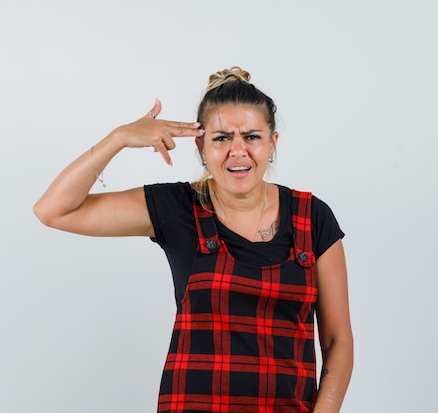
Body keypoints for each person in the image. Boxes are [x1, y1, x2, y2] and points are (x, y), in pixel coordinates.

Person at [33, 67, 353, 413]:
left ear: (272, 143)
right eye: (221, 138)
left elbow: (338, 341)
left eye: (252, 136)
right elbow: (54, 210)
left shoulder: (313, 217)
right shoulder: (178, 208)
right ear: (200, 146)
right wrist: (120, 138)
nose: (238, 151)